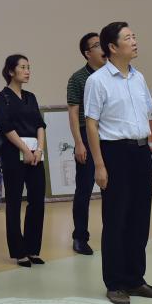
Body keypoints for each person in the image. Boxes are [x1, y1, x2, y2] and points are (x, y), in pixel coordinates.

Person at [84, 22, 152, 304]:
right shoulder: (97, 81)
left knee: (140, 219)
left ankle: (135, 279)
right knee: (116, 219)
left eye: (134, 36)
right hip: (114, 153)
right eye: (128, 38)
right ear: (112, 47)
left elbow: (145, 116)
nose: (134, 41)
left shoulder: (138, 77)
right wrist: (99, 164)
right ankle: (115, 283)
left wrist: (149, 154)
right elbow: (91, 124)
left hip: (141, 152)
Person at [0, 54, 47, 268]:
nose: (27, 71)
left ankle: (33, 248)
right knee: (14, 201)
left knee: (37, 200)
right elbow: (5, 127)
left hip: (35, 154)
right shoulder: (1, 97)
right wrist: (25, 149)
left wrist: (39, 149)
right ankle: (18, 251)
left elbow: (40, 125)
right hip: (13, 154)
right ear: (10, 71)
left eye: (28, 67)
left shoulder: (31, 97)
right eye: (22, 67)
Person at [65, 32, 105, 256]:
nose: (103, 48)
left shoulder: (112, 74)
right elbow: (73, 113)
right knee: (84, 189)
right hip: (86, 135)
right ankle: (80, 237)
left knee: (113, 188)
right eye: (97, 45)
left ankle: (113, 232)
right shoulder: (78, 78)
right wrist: (79, 143)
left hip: (110, 136)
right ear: (88, 53)